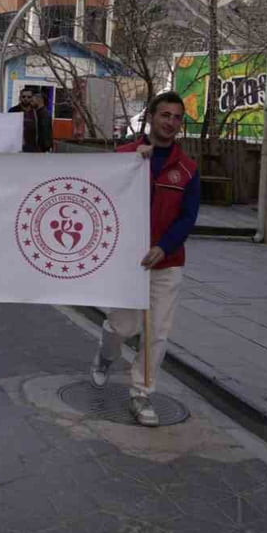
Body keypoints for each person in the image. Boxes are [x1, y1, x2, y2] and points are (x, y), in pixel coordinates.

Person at [89, 91, 201, 427]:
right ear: (151, 117)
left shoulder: (187, 168)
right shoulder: (125, 156)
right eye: (165, 115)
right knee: (124, 326)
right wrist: (134, 165)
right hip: (127, 262)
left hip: (167, 262)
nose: (170, 122)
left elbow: (188, 217)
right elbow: (102, 198)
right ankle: (106, 355)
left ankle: (142, 393)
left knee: (157, 333)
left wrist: (164, 247)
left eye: (177, 117)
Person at [8, 88, 38, 152]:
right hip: (16, 146)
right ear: (20, 98)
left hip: (33, 146)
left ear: (32, 98)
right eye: (23, 96)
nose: (26, 99)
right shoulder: (13, 111)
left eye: (29, 97)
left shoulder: (36, 111)